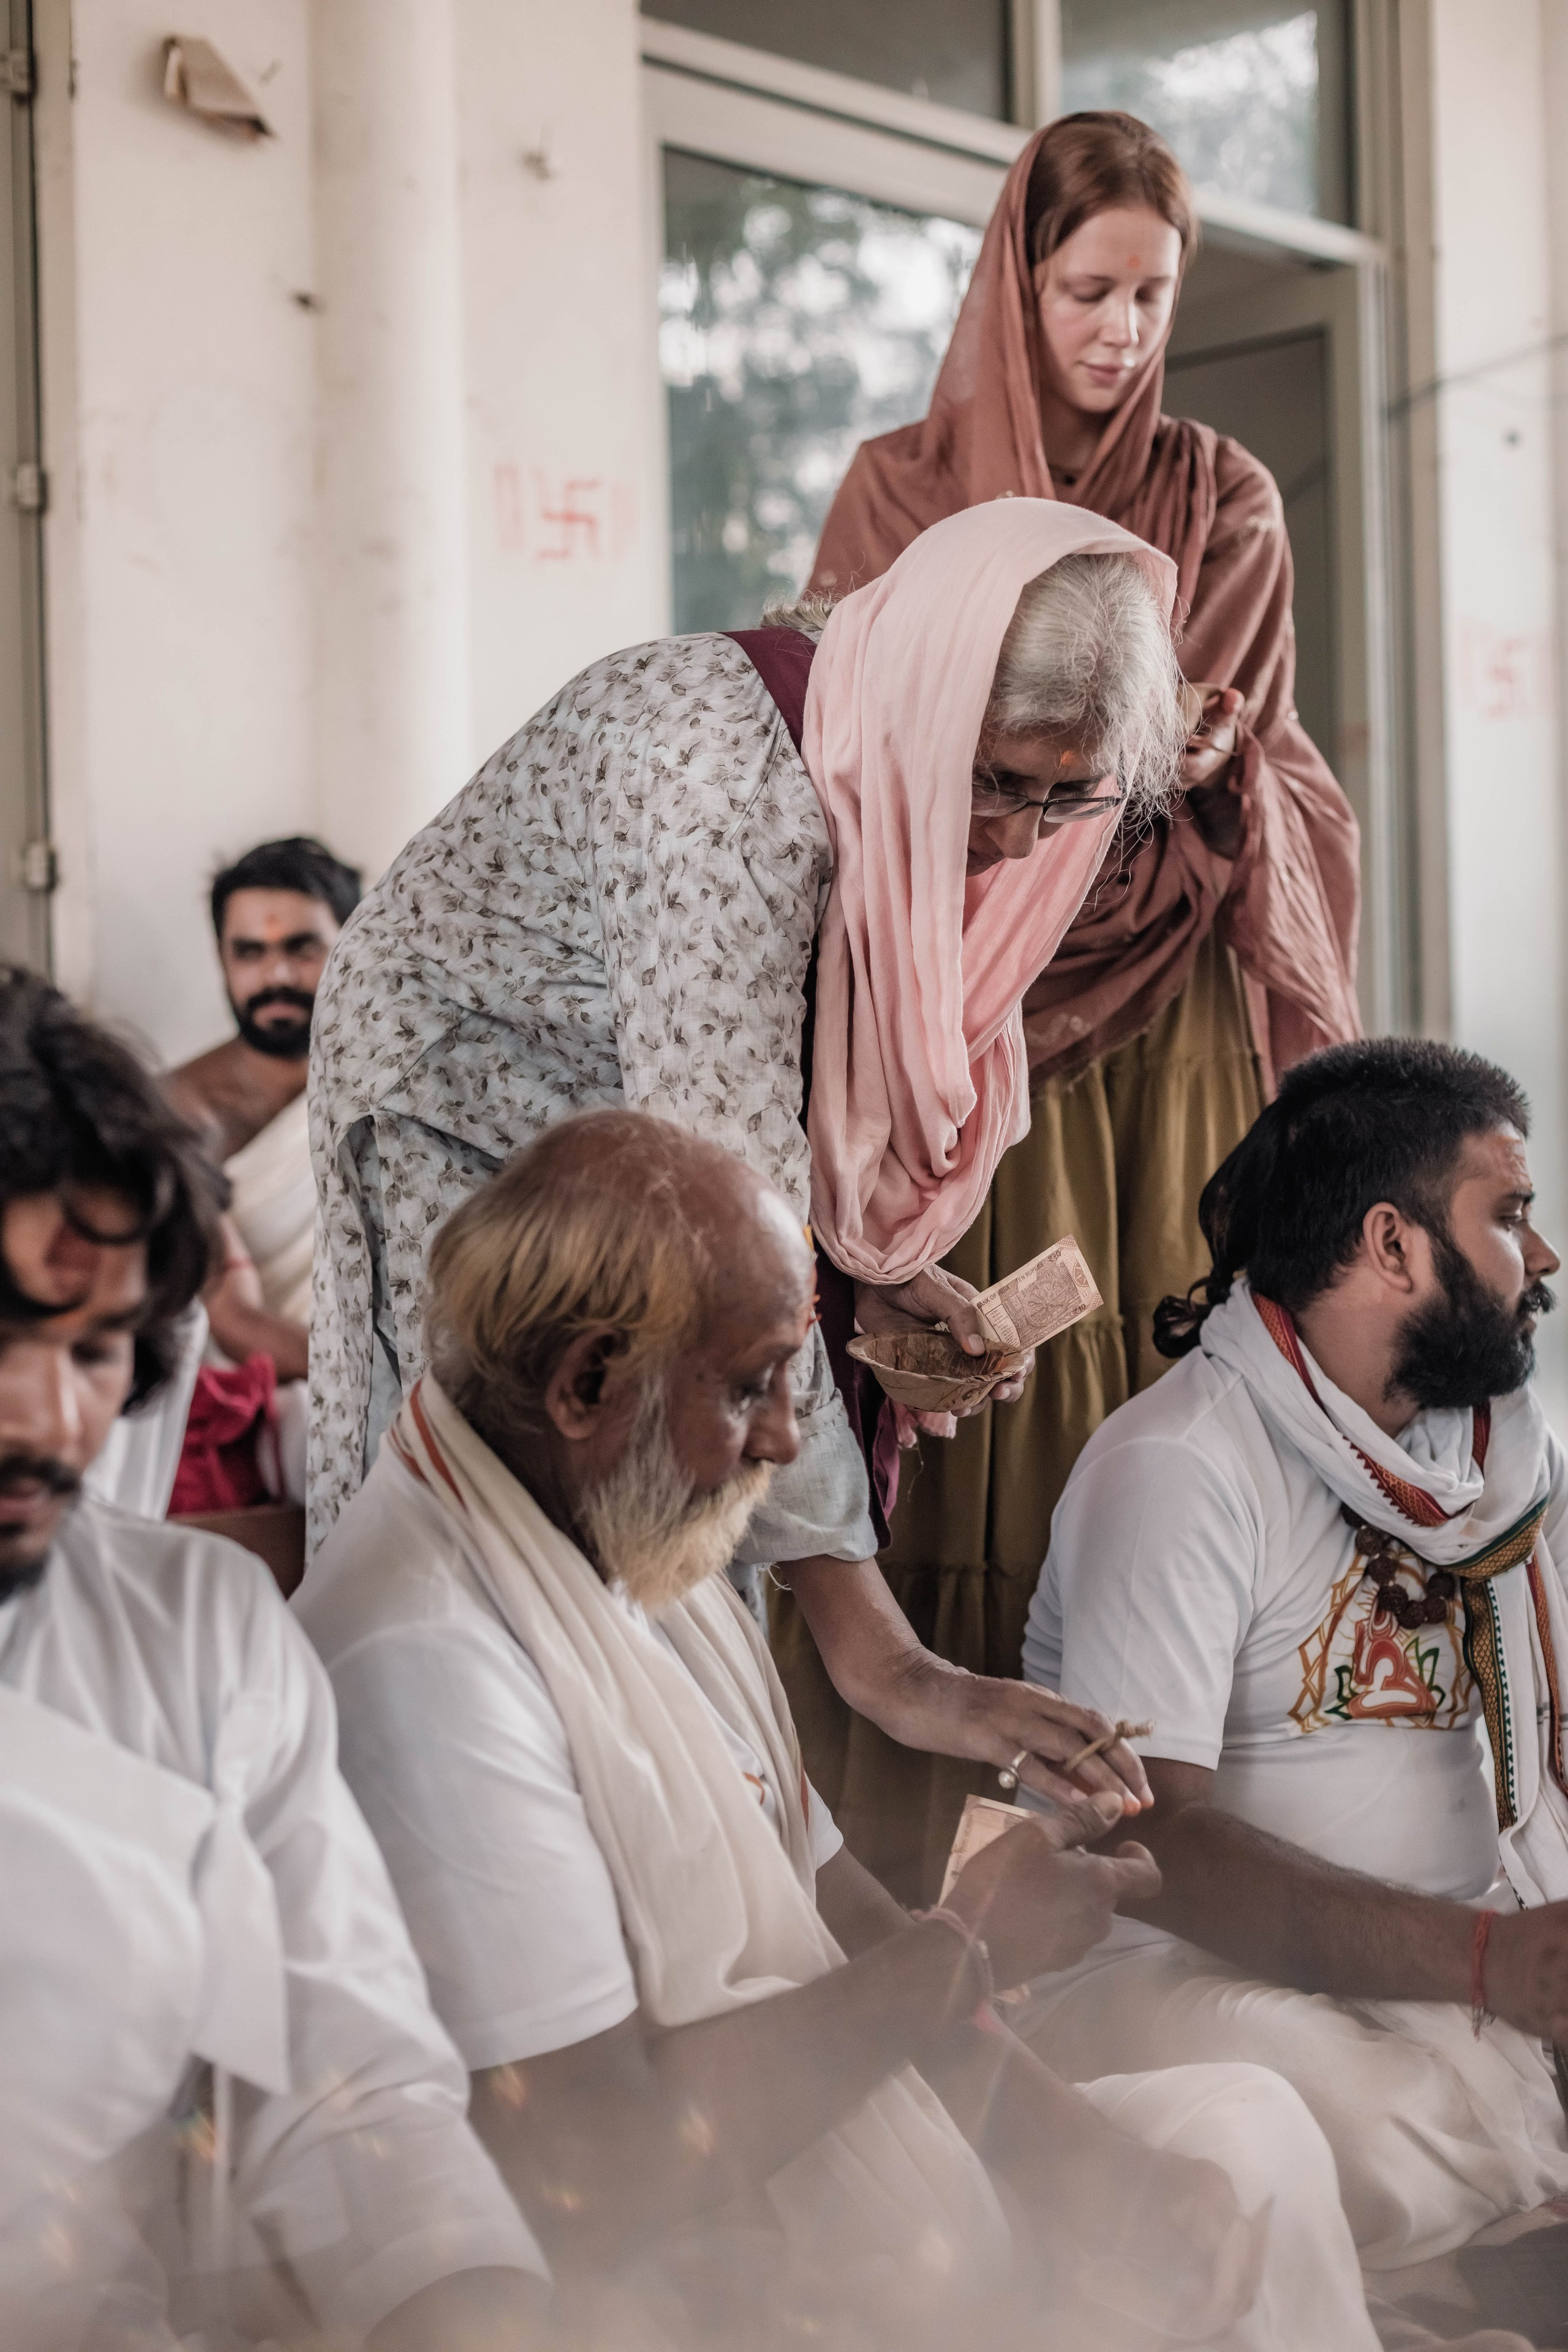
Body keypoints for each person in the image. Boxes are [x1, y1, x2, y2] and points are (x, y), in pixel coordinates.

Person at [296, 1107, 1395, 2352]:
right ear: (587, 1382)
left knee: (1241, 2133)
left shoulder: (606, 1527)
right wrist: (961, 1956)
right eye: (752, 1386)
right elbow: (593, 2169)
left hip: (824, 2164)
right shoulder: (429, 1666)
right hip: (690, 2281)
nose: (780, 1439)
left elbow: (824, 1886)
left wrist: (1083, 2165)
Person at [306, 498, 1183, 1817]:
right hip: (466, 1108)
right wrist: (887, 1661)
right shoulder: (716, 786)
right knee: (507, 1528)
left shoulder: (899, 767)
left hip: (653, 1111)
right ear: (922, 699)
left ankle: (692, 1850)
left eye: (1068, 797)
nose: (1012, 840)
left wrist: (862, 1275)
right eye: (996, 778)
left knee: (680, 1570)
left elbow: (753, 1132)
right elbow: (726, 1239)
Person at [796, 110, 1362, 1899]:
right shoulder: (901, 489)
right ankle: (927, 1885)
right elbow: (845, 752)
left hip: (1164, 1008)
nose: (1119, 327)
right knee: (976, 1397)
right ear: (1014, 282)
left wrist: (1210, 751)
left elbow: (1252, 751)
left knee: (1153, 1373)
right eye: (1084, 288)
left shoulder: (1225, 499)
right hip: (973, 1006)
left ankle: (1158, 1854)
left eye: (1150, 292)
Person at [0, 967, 545, 2350]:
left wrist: (470, 2313)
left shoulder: (192, 1634)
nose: (44, 1415)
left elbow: (342, 2083)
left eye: (94, 1347)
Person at [1019, 1038, 1568, 2315]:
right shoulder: (1179, 1467)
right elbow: (1150, 1843)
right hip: (1182, 1971)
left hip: (1446, 1964)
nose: (1537, 1262)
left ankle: (1448, 2284)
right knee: (1359, 2119)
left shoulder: (1495, 1462)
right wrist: (1489, 1966)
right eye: (1510, 1218)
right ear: (1390, 1243)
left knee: (1433, 2106)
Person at [166, 834, 362, 1384]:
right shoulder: (181, 1115)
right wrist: (395, 1391)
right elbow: (237, 1322)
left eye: (301, 948)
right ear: (222, 959)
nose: (275, 976)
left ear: (353, 945)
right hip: (264, 1402)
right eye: (250, 952)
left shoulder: (394, 1081)